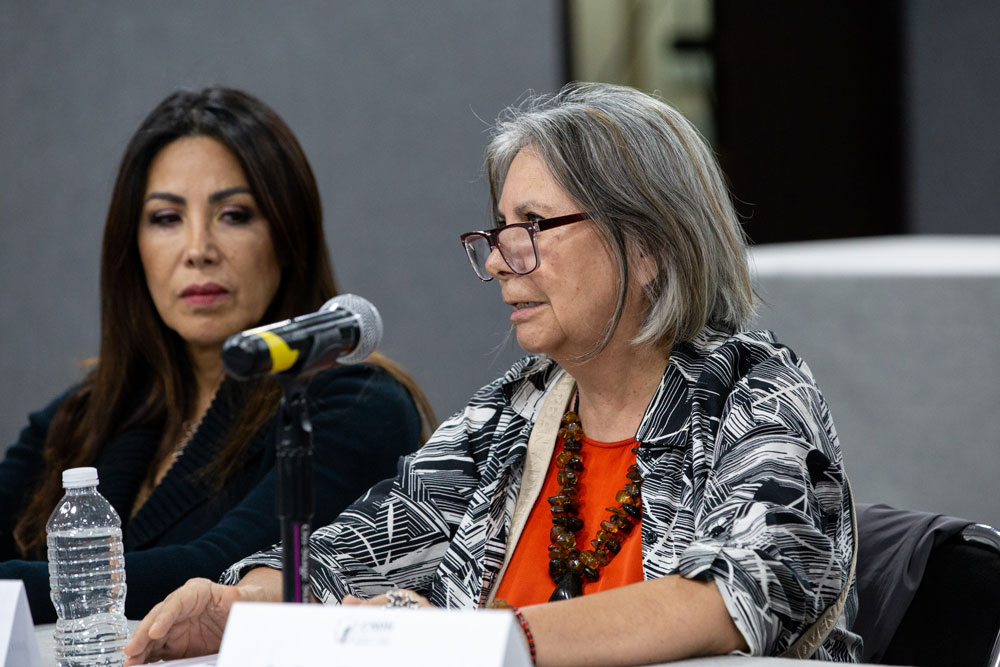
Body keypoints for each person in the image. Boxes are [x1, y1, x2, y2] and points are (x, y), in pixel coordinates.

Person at [124, 83, 860, 665]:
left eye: (532, 229)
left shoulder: (754, 394)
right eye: (497, 233)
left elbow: (728, 597)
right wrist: (237, 601)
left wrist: (473, 639)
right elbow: (348, 554)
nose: (503, 261)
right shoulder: (514, 414)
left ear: (649, 245)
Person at [0, 87, 434, 623]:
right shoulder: (87, 412)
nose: (198, 248)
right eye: (166, 218)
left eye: (234, 215)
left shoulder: (355, 405)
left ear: (287, 236)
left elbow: (210, 572)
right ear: (131, 247)